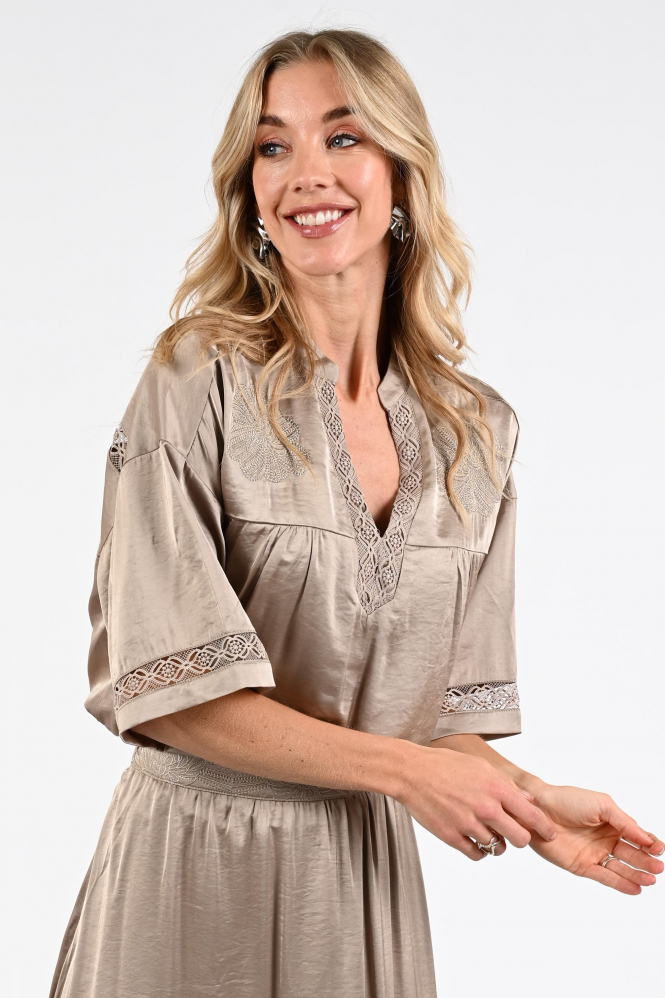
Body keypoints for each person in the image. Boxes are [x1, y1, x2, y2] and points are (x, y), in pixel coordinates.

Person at [51, 28, 663, 998]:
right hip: (194, 869)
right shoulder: (195, 381)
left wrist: (529, 803)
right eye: (273, 145)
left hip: (360, 881)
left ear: (401, 173)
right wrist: (405, 773)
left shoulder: (473, 435)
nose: (307, 173)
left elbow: (430, 726)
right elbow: (170, 689)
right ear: (248, 188)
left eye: (343, 136)